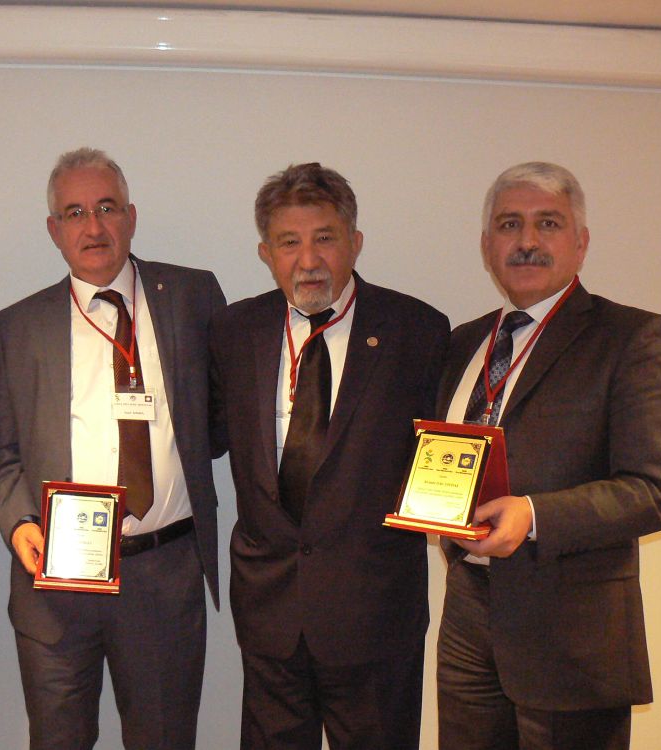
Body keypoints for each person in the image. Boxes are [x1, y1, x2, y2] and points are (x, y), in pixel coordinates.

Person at [436, 162, 661, 750]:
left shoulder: (633, 337)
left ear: (581, 242)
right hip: (468, 614)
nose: (526, 240)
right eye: (509, 225)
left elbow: (656, 491)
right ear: (487, 245)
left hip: (573, 633)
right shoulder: (463, 343)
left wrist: (533, 515)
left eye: (547, 223)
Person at [0, 147, 225, 750]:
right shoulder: (19, 324)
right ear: (54, 230)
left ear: (131, 216)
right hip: (59, 576)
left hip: (165, 572)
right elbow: (4, 455)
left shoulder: (192, 295)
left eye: (106, 208)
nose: (92, 227)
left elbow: (226, 418)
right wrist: (19, 524)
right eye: (74, 213)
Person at [210, 162, 449, 749]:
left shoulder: (417, 330)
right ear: (266, 253)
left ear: (355, 242)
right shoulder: (234, 331)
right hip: (269, 612)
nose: (308, 259)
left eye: (325, 238)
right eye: (289, 242)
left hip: (375, 615)